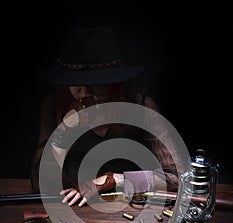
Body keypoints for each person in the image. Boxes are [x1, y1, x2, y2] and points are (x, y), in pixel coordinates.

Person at [31, 26, 186, 207]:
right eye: (74, 81)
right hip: (74, 206)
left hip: (133, 205)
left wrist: (113, 180)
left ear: (113, 83)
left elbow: (177, 177)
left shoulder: (141, 106)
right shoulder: (54, 104)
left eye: (96, 82)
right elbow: (39, 185)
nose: (84, 91)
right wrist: (63, 132)